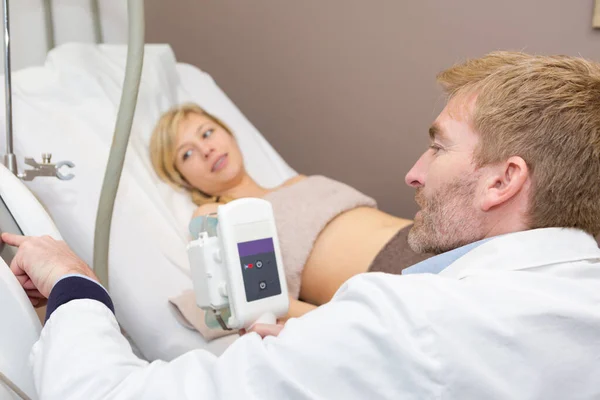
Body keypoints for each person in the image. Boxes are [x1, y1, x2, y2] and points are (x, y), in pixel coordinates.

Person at [5, 51, 600, 399]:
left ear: (503, 181)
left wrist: (75, 288)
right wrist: (316, 344)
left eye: (438, 148)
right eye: (186, 153)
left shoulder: (404, 322)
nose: (413, 172)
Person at [149, 103, 432, 317]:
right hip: (388, 287)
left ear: (229, 133)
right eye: (187, 153)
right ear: (181, 179)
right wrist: (344, 321)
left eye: (207, 133)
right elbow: (254, 299)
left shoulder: (299, 182)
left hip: (433, 244)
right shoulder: (215, 216)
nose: (206, 149)